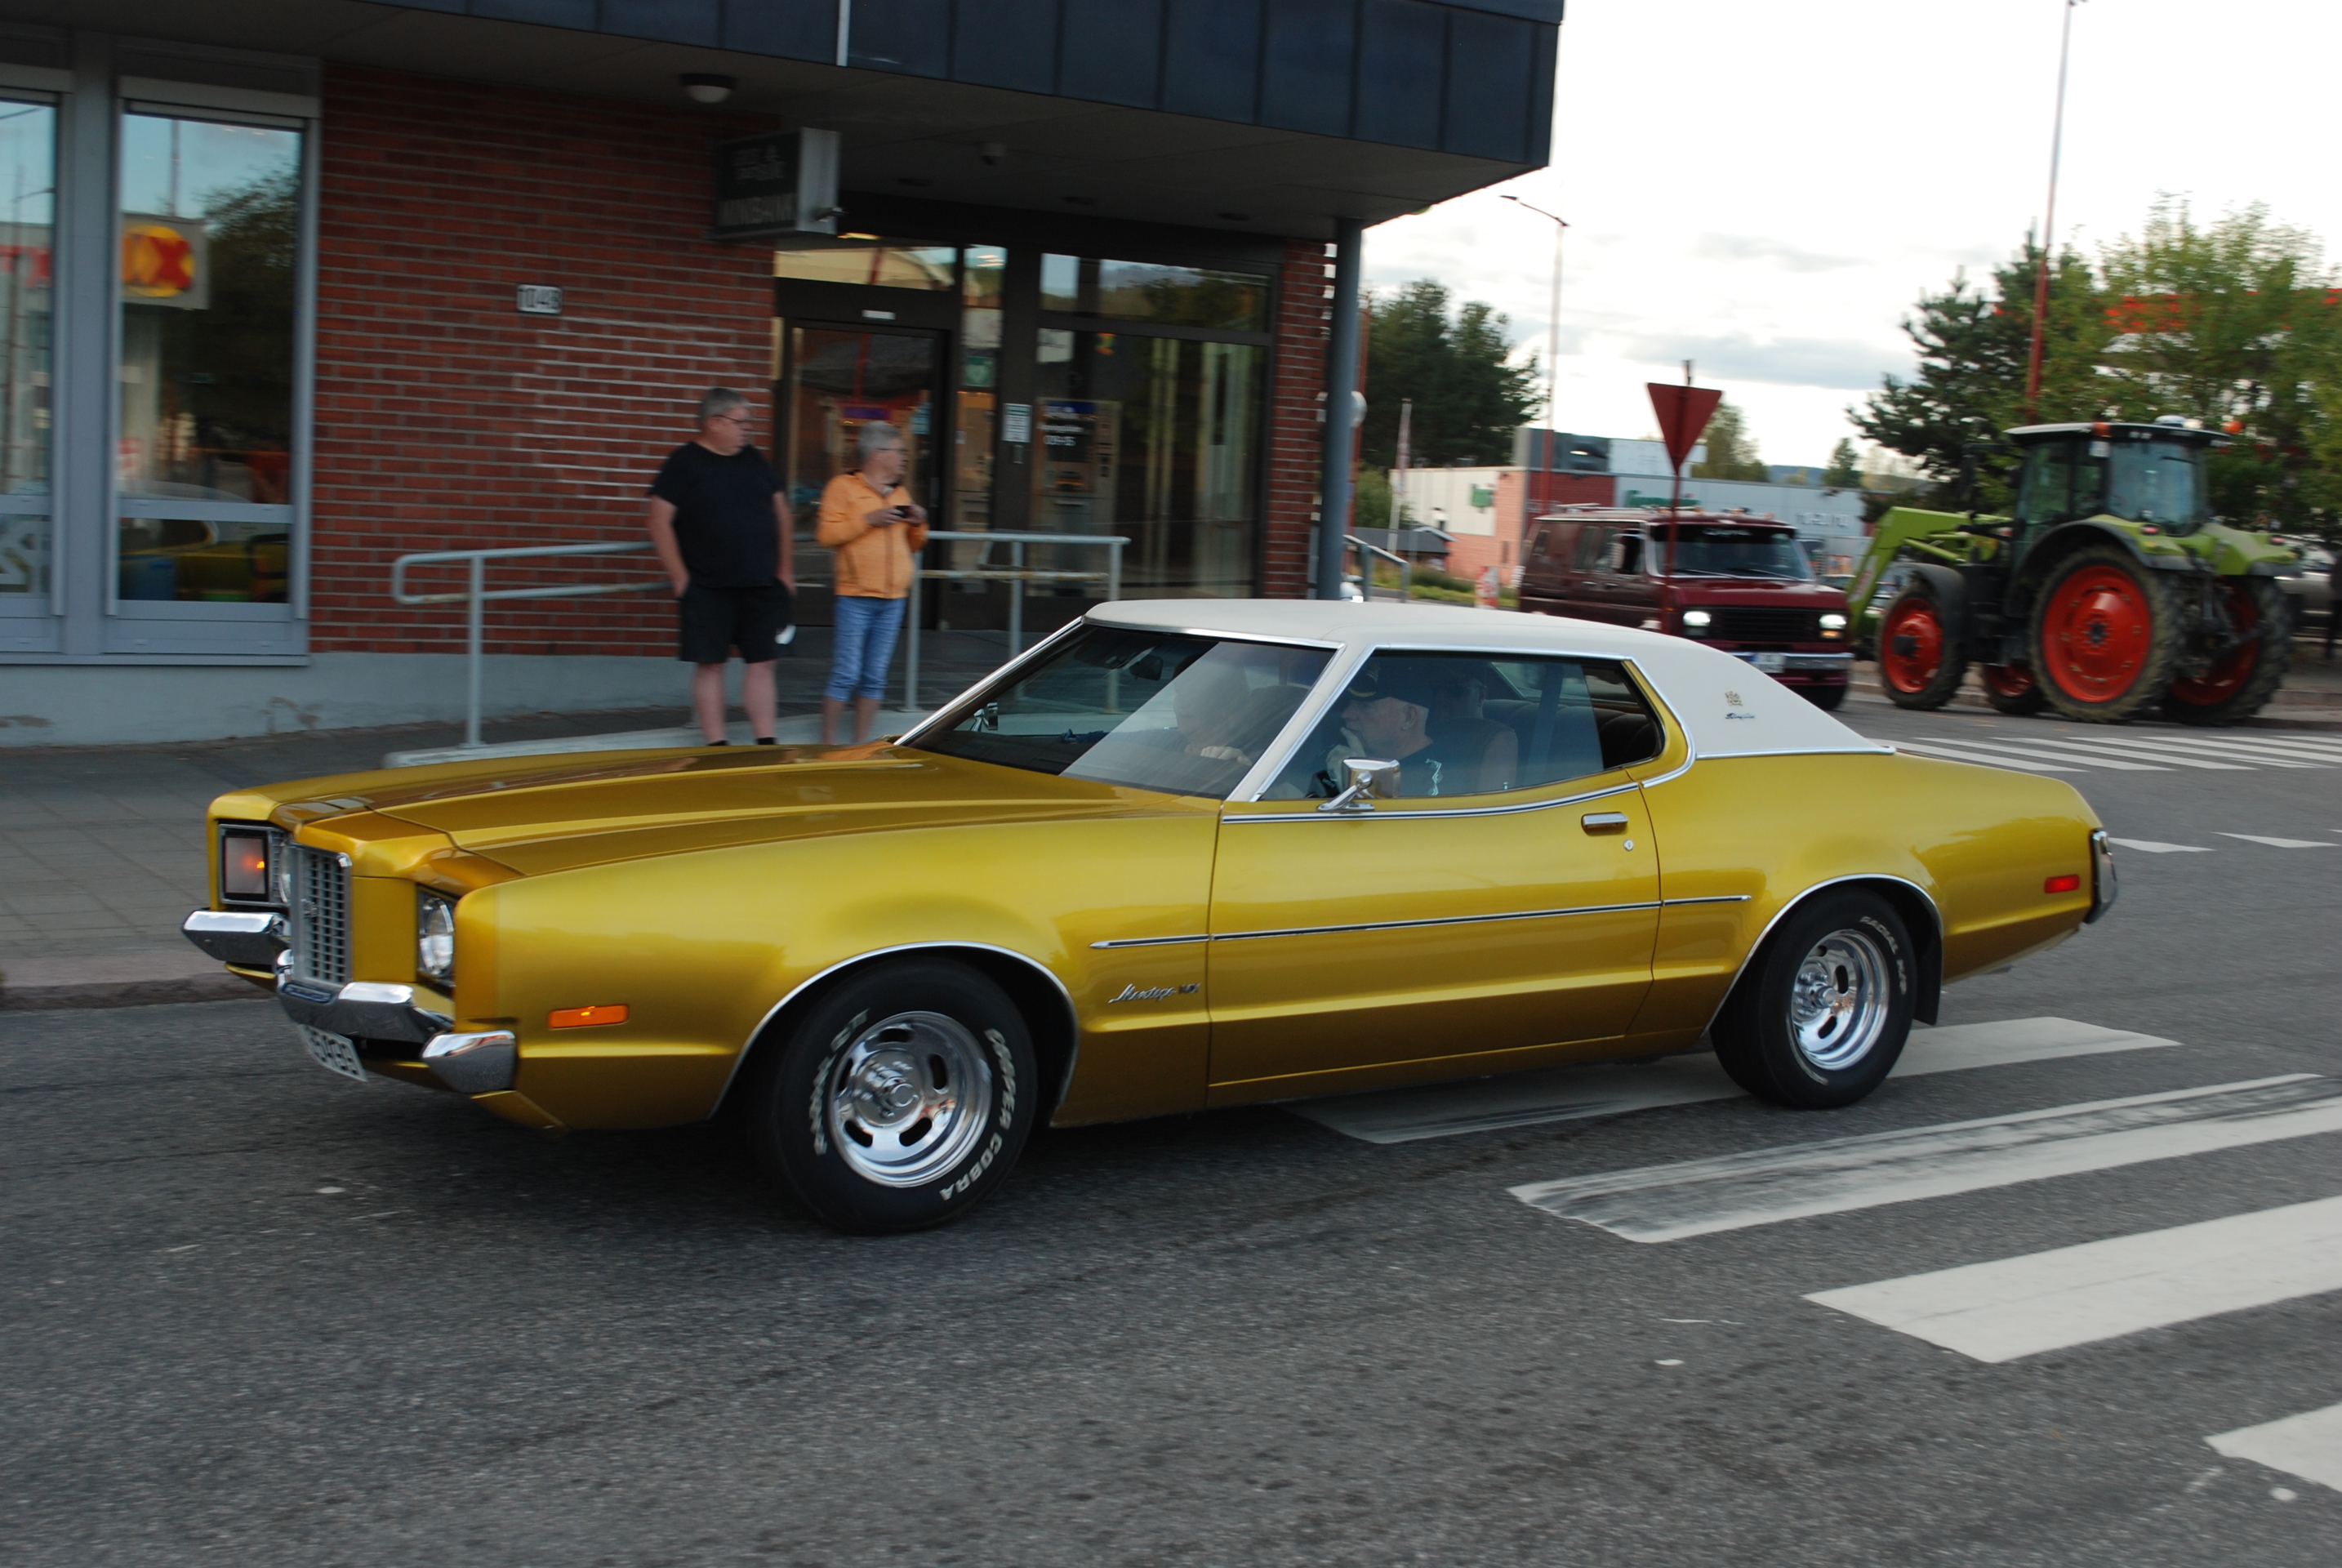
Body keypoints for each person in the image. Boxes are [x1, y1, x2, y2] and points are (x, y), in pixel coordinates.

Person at [645, 388, 795, 745]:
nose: (747, 429)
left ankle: (766, 743)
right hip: (707, 586)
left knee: (763, 662)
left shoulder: (753, 459)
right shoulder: (684, 463)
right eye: (741, 422)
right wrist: (681, 579)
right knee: (711, 664)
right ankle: (717, 745)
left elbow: (782, 515)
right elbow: (658, 521)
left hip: (761, 583)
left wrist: (785, 571)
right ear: (714, 422)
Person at [817, 422, 928, 742]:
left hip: (894, 599)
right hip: (856, 597)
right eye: (899, 451)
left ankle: (860, 746)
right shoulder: (842, 487)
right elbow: (826, 534)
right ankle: (826, 746)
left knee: (875, 677)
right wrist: (868, 519)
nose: (904, 457)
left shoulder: (900, 493)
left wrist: (919, 524)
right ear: (878, 454)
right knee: (846, 674)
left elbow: (915, 545)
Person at [1335, 662, 1473, 797]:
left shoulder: (1440, 777)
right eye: (1349, 704)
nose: (1347, 715)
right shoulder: (1339, 753)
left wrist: (1359, 784)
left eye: (1366, 707)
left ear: (1408, 717)